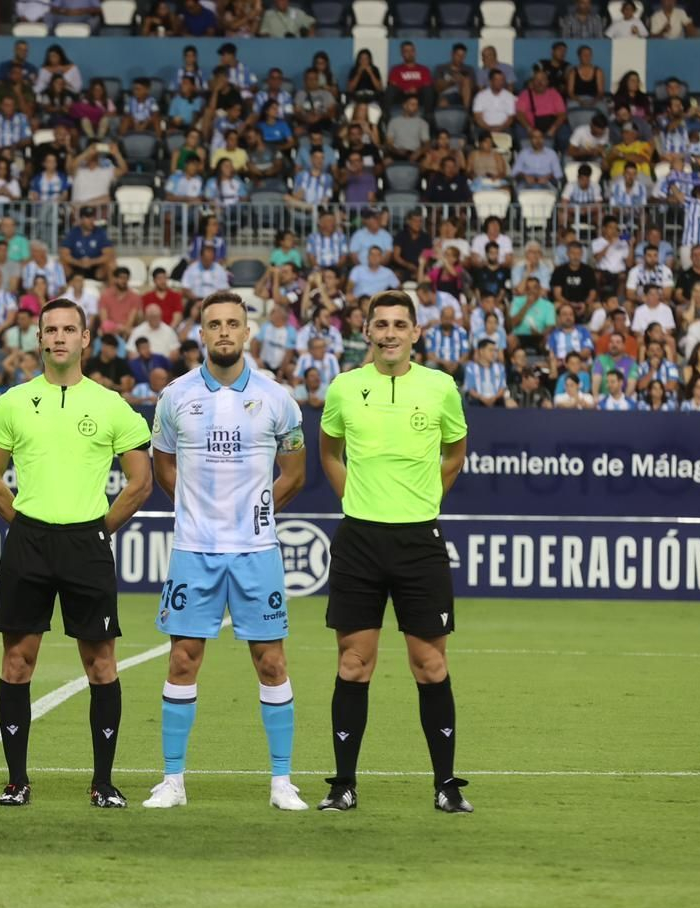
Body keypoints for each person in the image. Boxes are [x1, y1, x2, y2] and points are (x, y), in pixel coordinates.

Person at [0, 298, 153, 808]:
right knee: (17, 662)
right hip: (29, 542)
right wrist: (27, 524)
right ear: (38, 339)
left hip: (87, 543)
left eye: (68, 329)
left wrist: (98, 531)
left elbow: (140, 484)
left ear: (85, 340)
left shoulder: (111, 404)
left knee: (101, 664)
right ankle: (16, 781)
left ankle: (103, 782)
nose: (58, 337)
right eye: (49, 329)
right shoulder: (12, 402)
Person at [144, 291, 310, 812]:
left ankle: (282, 782)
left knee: (271, 661)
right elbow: (163, 467)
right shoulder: (174, 397)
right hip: (194, 550)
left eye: (232, 324)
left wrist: (258, 512)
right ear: (200, 334)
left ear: (247, 333)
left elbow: (295, 472)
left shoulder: (277, 397)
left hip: (256, 552)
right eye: (213, 324)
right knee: (183, 659)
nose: (223, 332)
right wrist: (196, 509)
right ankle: (173, 780)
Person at [316, 290, 472, 815]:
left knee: (429, 664)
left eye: (399, 324)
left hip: (418, 542)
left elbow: (455, 453)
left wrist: (426, 498)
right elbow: (329, 450)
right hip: (359, 540)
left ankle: (446, 786)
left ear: (415, 333)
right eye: (380, 324)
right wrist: (353, 499)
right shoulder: (344, 387)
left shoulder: (440, 387)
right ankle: (343, 785)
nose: (389, 333)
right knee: (354, 662)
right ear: (366, 332)